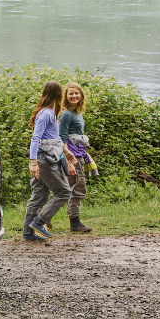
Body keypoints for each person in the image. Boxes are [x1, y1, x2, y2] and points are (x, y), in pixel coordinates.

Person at [23, 81, 78, 241]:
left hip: (46, 158)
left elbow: (54, 138)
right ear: (59, 95)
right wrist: (33, 162)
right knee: (64, 192)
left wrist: (66, 153)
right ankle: (39, 222)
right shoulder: (46, 113)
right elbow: (36, 138)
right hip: (44, 160)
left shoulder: (50, 112)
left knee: (39, 194)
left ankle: (28, 233)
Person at [59, 82, 93, 233]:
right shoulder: (66, 114)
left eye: (76, 93)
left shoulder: (77, 113)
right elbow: (61, 138)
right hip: (71, 156)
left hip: (79, 154)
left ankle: (42, 217)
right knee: (77, 188)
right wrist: (68, 159)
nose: (74, 96)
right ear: (65, 96)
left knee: (72, 188)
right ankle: (75, 223)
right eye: (71, 93)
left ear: (81, 95)